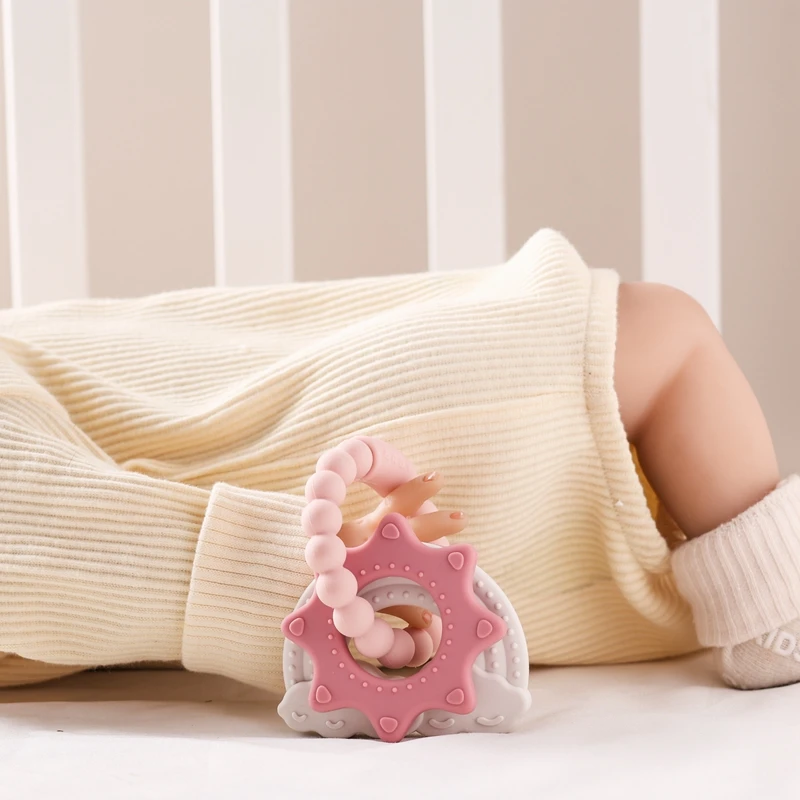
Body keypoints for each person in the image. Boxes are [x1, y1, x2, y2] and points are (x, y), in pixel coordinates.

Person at [0, 228, 796, 694]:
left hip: (334, 459)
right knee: (654, 350)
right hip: (380, 575)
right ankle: (763, 587)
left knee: (652, 340)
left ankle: (775, 591)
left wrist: (300, 580)